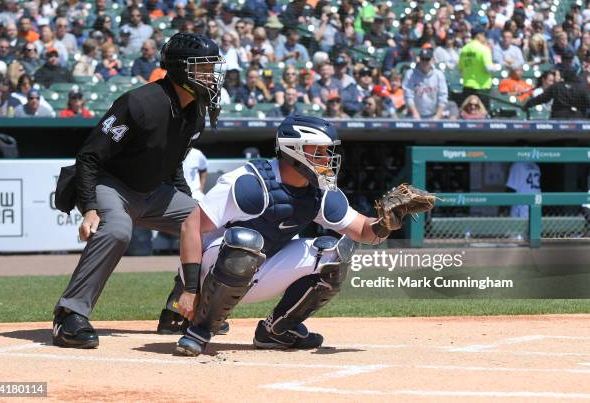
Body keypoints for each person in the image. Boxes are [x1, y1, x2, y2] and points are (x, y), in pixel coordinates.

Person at [159, 115, 426, 355]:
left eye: (327, 151)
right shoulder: (249, 182)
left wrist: (386, 222)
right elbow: (190, 227)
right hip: (210, 272)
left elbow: (363, 232)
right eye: (318, 151)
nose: (326, 158)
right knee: (246, 241)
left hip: (258, 272)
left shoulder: (319, 191)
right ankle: (200, 330)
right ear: (294, 150)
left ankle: (276, 331)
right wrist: (190, 290)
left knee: (335, 251)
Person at [51, 33, 225, 349]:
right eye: (204, 67)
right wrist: (90, 204)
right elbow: (89, 156)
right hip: (111, 185)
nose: (212, 75)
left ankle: (178, 310)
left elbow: (171, 163)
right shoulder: (139, 103)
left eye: (213, 67)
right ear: (182, 69)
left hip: (153, 192)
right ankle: (69, 316)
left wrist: (192, 205)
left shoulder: (195, 109)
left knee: (209, 224)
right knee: (117, 230)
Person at [458, 26, 498, 110]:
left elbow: (460, 70)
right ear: (479, 35)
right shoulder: (483, 49)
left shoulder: (464, 50)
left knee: (467, 113)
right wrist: (497, 67)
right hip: (482, 87)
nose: (485, 38)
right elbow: (488, 68)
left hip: (467, 86)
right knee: (482, 113)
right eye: (484, 35)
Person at [402, 48, 449, 119]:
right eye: (422, 59)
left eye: (427, 60)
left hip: (434, 114)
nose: (425, 62)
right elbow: (408, 96)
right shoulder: (410, 74)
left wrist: (437, 116)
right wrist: (415, 113)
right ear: (419, 60)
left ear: (432, 60)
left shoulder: (439, 74)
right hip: (414, 114)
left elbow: (443, 96)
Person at [523, 73, 590, 119]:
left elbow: (542, 98)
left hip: (559, 116)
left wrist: (528, 104)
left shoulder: (556, 86)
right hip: (576, 116)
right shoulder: (581, 88)